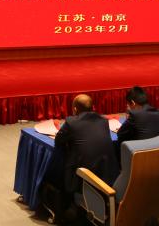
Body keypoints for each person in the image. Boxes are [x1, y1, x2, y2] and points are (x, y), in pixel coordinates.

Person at [42, 94, 119, 223]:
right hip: (107, 172)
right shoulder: (103, 121)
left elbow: (59, 141)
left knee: (61, 165)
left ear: (75, 109)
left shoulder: (71, 122)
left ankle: (66, 203)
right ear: (92, 107)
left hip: (83, 176)